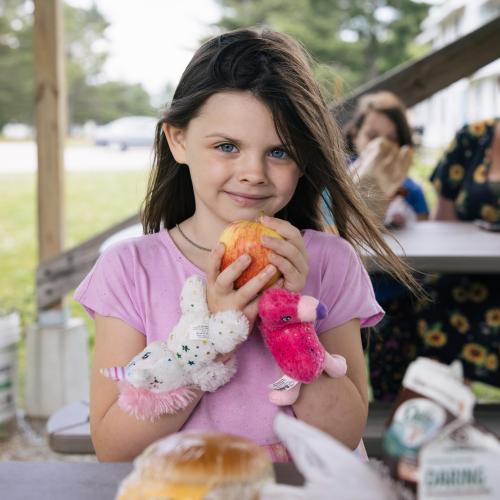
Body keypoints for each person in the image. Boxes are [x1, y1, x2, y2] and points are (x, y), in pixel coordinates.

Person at [74, 29, 417, 462]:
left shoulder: (329, 263)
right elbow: (115, 447)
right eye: (227, 147)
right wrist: (208, 337)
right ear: (177, 140)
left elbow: (343, 434)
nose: (253, 171)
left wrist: (288, 322)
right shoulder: (128, 269)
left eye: (279, 152)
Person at [370, 118, 500, 401]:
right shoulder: (473, 137)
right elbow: (444, 221)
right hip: (464, 276)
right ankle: (433, 409)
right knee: (419, 303)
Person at [345, 91, 429, 227]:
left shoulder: (412, 192)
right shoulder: (335, 181)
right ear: (355, 136)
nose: (381, 145)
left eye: (392, 138)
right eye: (372, 136)